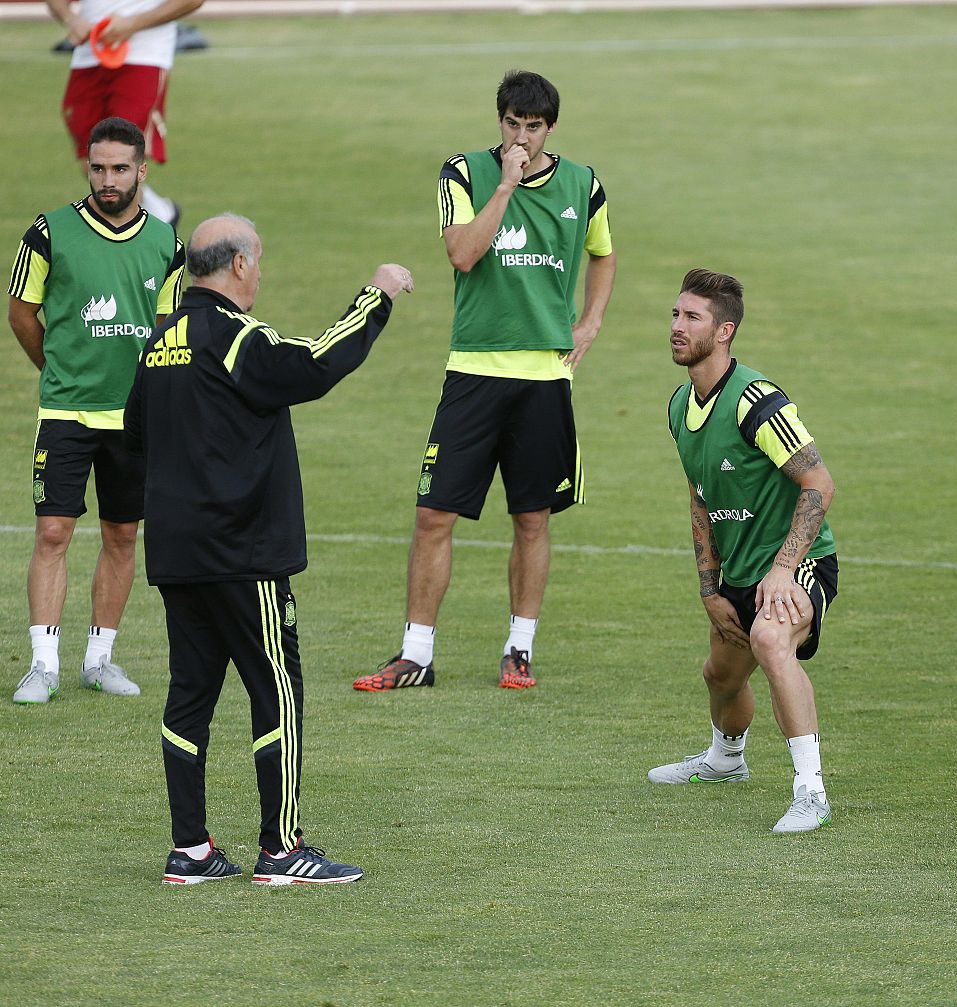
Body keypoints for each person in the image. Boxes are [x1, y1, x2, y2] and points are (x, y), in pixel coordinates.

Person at [125, 213, 412, 884]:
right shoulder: (234, 335)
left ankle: (190, 849)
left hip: (177, 552)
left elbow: (135, 433)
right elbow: (312, 366)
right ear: (239, 265)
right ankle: (282, 849)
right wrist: (376, 296)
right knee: (276, 689)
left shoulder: (159, 342)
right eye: (258, 260)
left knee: (189, 694)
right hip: (241, 552)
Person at [353, 69, 615, 693]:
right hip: (473, 371)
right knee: (433, 516)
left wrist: (591, 321)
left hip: (544, 379)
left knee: (533, 519)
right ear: (499, 121)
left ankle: (519, 649)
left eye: (534, 127)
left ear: (551, 128)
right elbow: (463, 253)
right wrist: (505, 186)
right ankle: (416, 655)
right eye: (512, 124)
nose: (521, 137)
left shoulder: (584, 184)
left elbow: (602, 253)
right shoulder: (465, 173)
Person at [646, 269, 840, 835]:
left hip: (796, 562)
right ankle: (726, 759)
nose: (677, 326)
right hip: (740, 569)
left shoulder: (757, 402)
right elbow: (699, 496)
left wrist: (783, 571)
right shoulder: (679, 406)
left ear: (724, 331)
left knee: (771, 640)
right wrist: (710, 587)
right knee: (720, 676)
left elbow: (819, 483)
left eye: (692, 317)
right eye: (676, 314)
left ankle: (811, 793)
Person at [9, 116, 183, 705]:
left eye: (120, 169)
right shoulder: (48, 233)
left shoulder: (167, 244)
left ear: (142, 171)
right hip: (66, 413)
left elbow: (164, 329)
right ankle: (43, 666)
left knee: (122, 534)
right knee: (53, 531)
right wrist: (55, 370)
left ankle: (99, 660)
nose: (108, 180)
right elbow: (21, 314)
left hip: (132, 420)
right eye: (99, 167)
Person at [48, 0, 203, 226]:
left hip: (144, 53)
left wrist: (133, 23)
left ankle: (129, 237)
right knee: (92, 158)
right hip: (88, 54)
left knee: (122, 152)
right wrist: (71, 19)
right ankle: (158, 211)